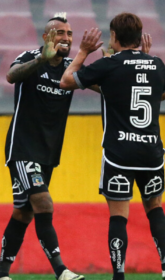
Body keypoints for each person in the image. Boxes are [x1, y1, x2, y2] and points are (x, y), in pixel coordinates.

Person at [59, 13, 165, 280]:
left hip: (119, 154)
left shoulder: (108, 65)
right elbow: (162, 93)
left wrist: (82, 51)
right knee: (155, 208)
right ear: (140, 39)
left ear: (114, 37)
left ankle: (119, 275)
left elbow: (67, 81)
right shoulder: (158, 64)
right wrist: (147, 61)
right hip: (151, 152)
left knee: (119, 216)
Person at [0, 13, 84, 280]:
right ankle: (61, 271)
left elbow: (100, 84)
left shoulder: (71, 68)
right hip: (22, 148)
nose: (66, 38)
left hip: (48, 153)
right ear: (46, 36)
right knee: (43, 203)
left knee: (23, 213)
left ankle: (1, 272)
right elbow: (11, 76)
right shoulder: (30, 57)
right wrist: (41, 59)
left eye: (69, 34)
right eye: (60, 32)